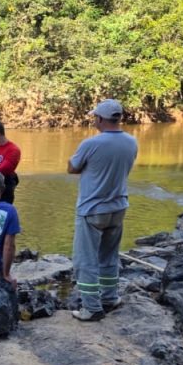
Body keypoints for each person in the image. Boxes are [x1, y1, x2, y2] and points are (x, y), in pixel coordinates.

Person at [67, 98, 138, 322]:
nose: (93, 121)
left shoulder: (91, 144)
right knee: (109, 255)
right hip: (118, 207)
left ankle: (91, 307)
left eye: (94, 117)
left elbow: (72, 168)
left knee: (85, 259)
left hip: (92, 209)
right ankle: (110, 297)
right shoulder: (131, 142)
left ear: (100, 118)